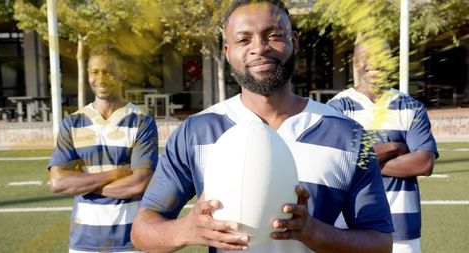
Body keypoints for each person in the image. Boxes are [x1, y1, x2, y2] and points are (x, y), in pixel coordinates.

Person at [131, 1, 393, 252]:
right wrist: (187, 230)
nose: (259, 48)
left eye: (273, 35)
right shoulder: (196, 132)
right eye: (244, 40)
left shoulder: (349, 135)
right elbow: (142, 230)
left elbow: (380, 243)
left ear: (295, 42)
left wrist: (313, 232)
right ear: (227, 52)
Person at [327, 36, 438, 253]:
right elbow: (340, 165)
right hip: (352, 227)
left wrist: (362, 162)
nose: (375, 62)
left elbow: (424, 163)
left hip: (402, 229)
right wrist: (394, 148)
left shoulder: (411, 107)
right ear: (356, 62)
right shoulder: (336, 109)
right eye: (368, 56)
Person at [48, 44, 158, 253]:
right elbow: (58, 182)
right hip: (84, 242)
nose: (101, 78)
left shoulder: (141, 121)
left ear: (123, 74)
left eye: (108, 71)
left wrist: (83, 185)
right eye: (95, 71)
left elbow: (139, 183)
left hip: (131, 240)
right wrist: (116, 173)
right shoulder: (72, 123)